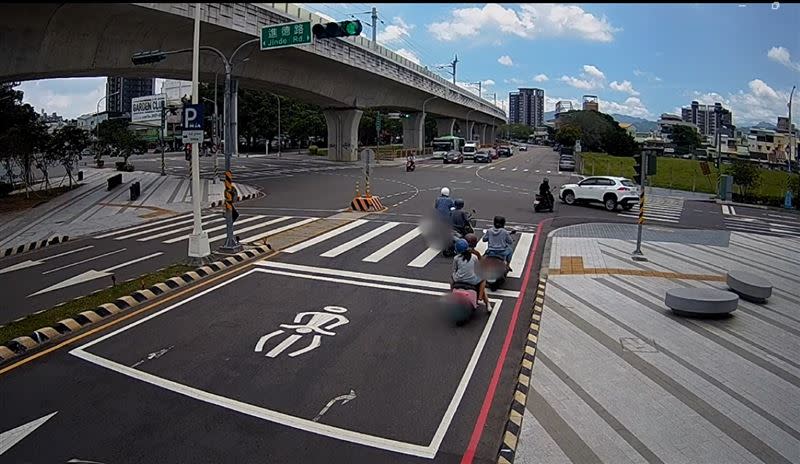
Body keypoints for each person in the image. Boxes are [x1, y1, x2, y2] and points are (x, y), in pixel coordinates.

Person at [450, 239, 490, 309]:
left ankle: (452, 291)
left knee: (451, 277)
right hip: (472, 280)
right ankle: (480, 297)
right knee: (483, 279)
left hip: (459, 279)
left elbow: (454, 269)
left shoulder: (456, 258)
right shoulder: (474, 257)